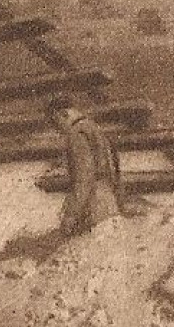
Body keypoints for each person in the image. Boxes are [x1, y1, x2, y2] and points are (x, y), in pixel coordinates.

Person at [48, 96, 123, 234]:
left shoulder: (76, 134)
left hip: (95, 215)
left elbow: (84, 177)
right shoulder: (94, 128)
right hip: (110, 208)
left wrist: (70, 215)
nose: (58, 130)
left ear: (63, 114)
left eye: (56, 123)